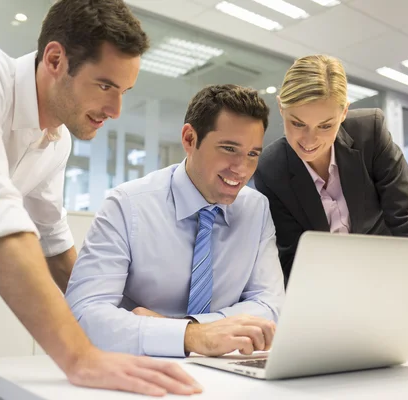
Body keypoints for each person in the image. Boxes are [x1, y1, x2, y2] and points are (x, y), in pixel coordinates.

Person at [0, 0, 201, 398]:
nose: (116, 109)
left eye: (124, 91)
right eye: (105, 85)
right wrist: (79, 357)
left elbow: (55, 248)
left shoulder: (54, 142)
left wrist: (131, 321)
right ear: (55, 59)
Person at [254, 54, 408, 344]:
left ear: (343, 113)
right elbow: (291, 259)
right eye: (297, 123)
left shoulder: (370, 133)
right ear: (281, 107)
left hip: (391, 289)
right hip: (325, 304)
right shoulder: (271, 167)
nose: (309, 139)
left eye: (325, 125)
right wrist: (305, 330)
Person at [65, 84, 285, 358]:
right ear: (190, 139)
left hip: (224, 367)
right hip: (139, 368)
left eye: (253, 153)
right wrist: (191, 337)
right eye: (229, 148)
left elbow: (270, 304)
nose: (241, 168)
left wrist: (189, 330)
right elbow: (84, 314)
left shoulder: (256, 208)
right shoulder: (127, 205)